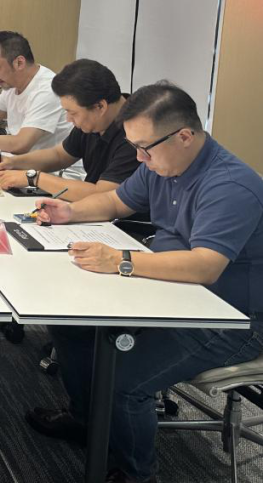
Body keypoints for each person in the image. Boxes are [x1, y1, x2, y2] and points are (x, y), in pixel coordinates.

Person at [25, 82, 263, 483]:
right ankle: (88, 422)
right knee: (71, 325)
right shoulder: (162, 164)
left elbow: (205, 266)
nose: (139, 158)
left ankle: (137, 473)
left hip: (229, 318)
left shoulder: (230, 186)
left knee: (123, 382)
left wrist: (120, 261)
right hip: (169, 292)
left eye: (144, 148)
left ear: (184, 136)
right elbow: (117, 201)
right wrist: (70, 212)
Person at [0, 59, 140, 201]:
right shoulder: (95, 119)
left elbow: (103, 195)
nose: (68, 119)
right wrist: (13, 162)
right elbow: (59, 155)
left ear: (100, 106)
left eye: (73, 113)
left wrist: (34, 177)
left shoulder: (136, 135)